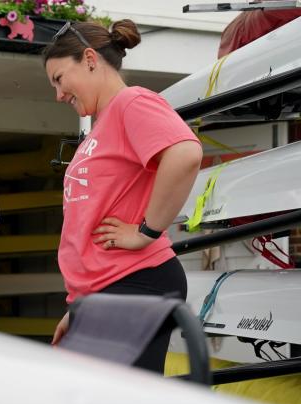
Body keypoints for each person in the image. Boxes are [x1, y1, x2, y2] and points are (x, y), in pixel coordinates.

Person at [42, 20, 203, 372]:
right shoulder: (105, 122)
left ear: (89, 59)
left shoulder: (131, 102)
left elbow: (185, 154)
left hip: (136, 280)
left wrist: (146, 230)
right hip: (105, 290)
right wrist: (79, 305)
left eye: (59, 78)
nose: (58, 94)